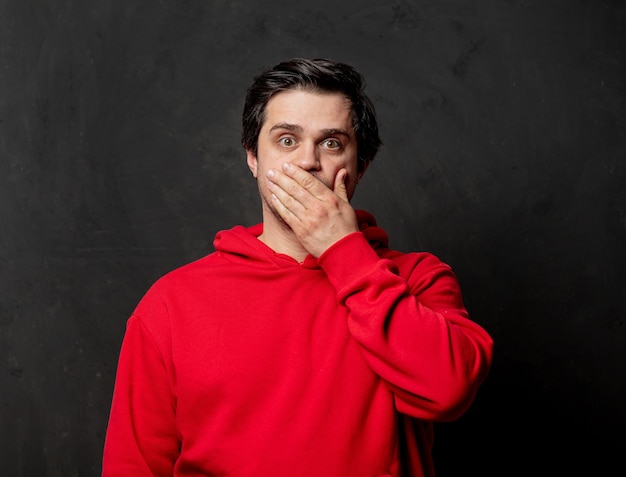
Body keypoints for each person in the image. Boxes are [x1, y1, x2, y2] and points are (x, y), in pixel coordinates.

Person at [102, 57, 493, 477]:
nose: (308, 162)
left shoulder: (419, 280)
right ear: (253, 158)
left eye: (331, 143)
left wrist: (343, 251)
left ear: (360, 166)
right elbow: (134, 465)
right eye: (287, 140)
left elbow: (448, 392)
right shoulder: (172, 303)